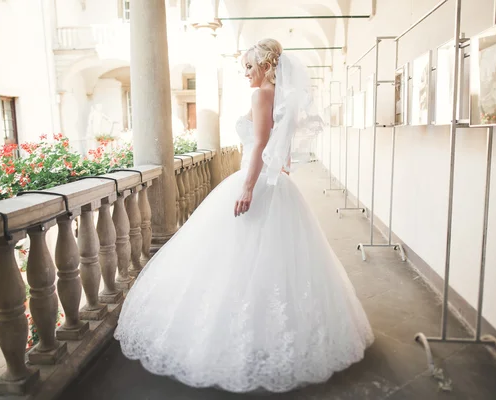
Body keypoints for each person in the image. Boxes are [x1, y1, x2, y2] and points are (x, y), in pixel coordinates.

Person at [114, 38, 374, 394]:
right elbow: (278, 145)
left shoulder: (260, 95)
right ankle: (278, 334)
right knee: (276, 263)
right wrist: (271, 172)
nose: (246, 74)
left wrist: (248, 187)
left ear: (267, 65)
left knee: (240, 261)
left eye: (250, 67)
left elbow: (261, 146)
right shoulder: (278, 95)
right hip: (276, 183)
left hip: (258, 183)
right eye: (244, 69)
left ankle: (247, 337)